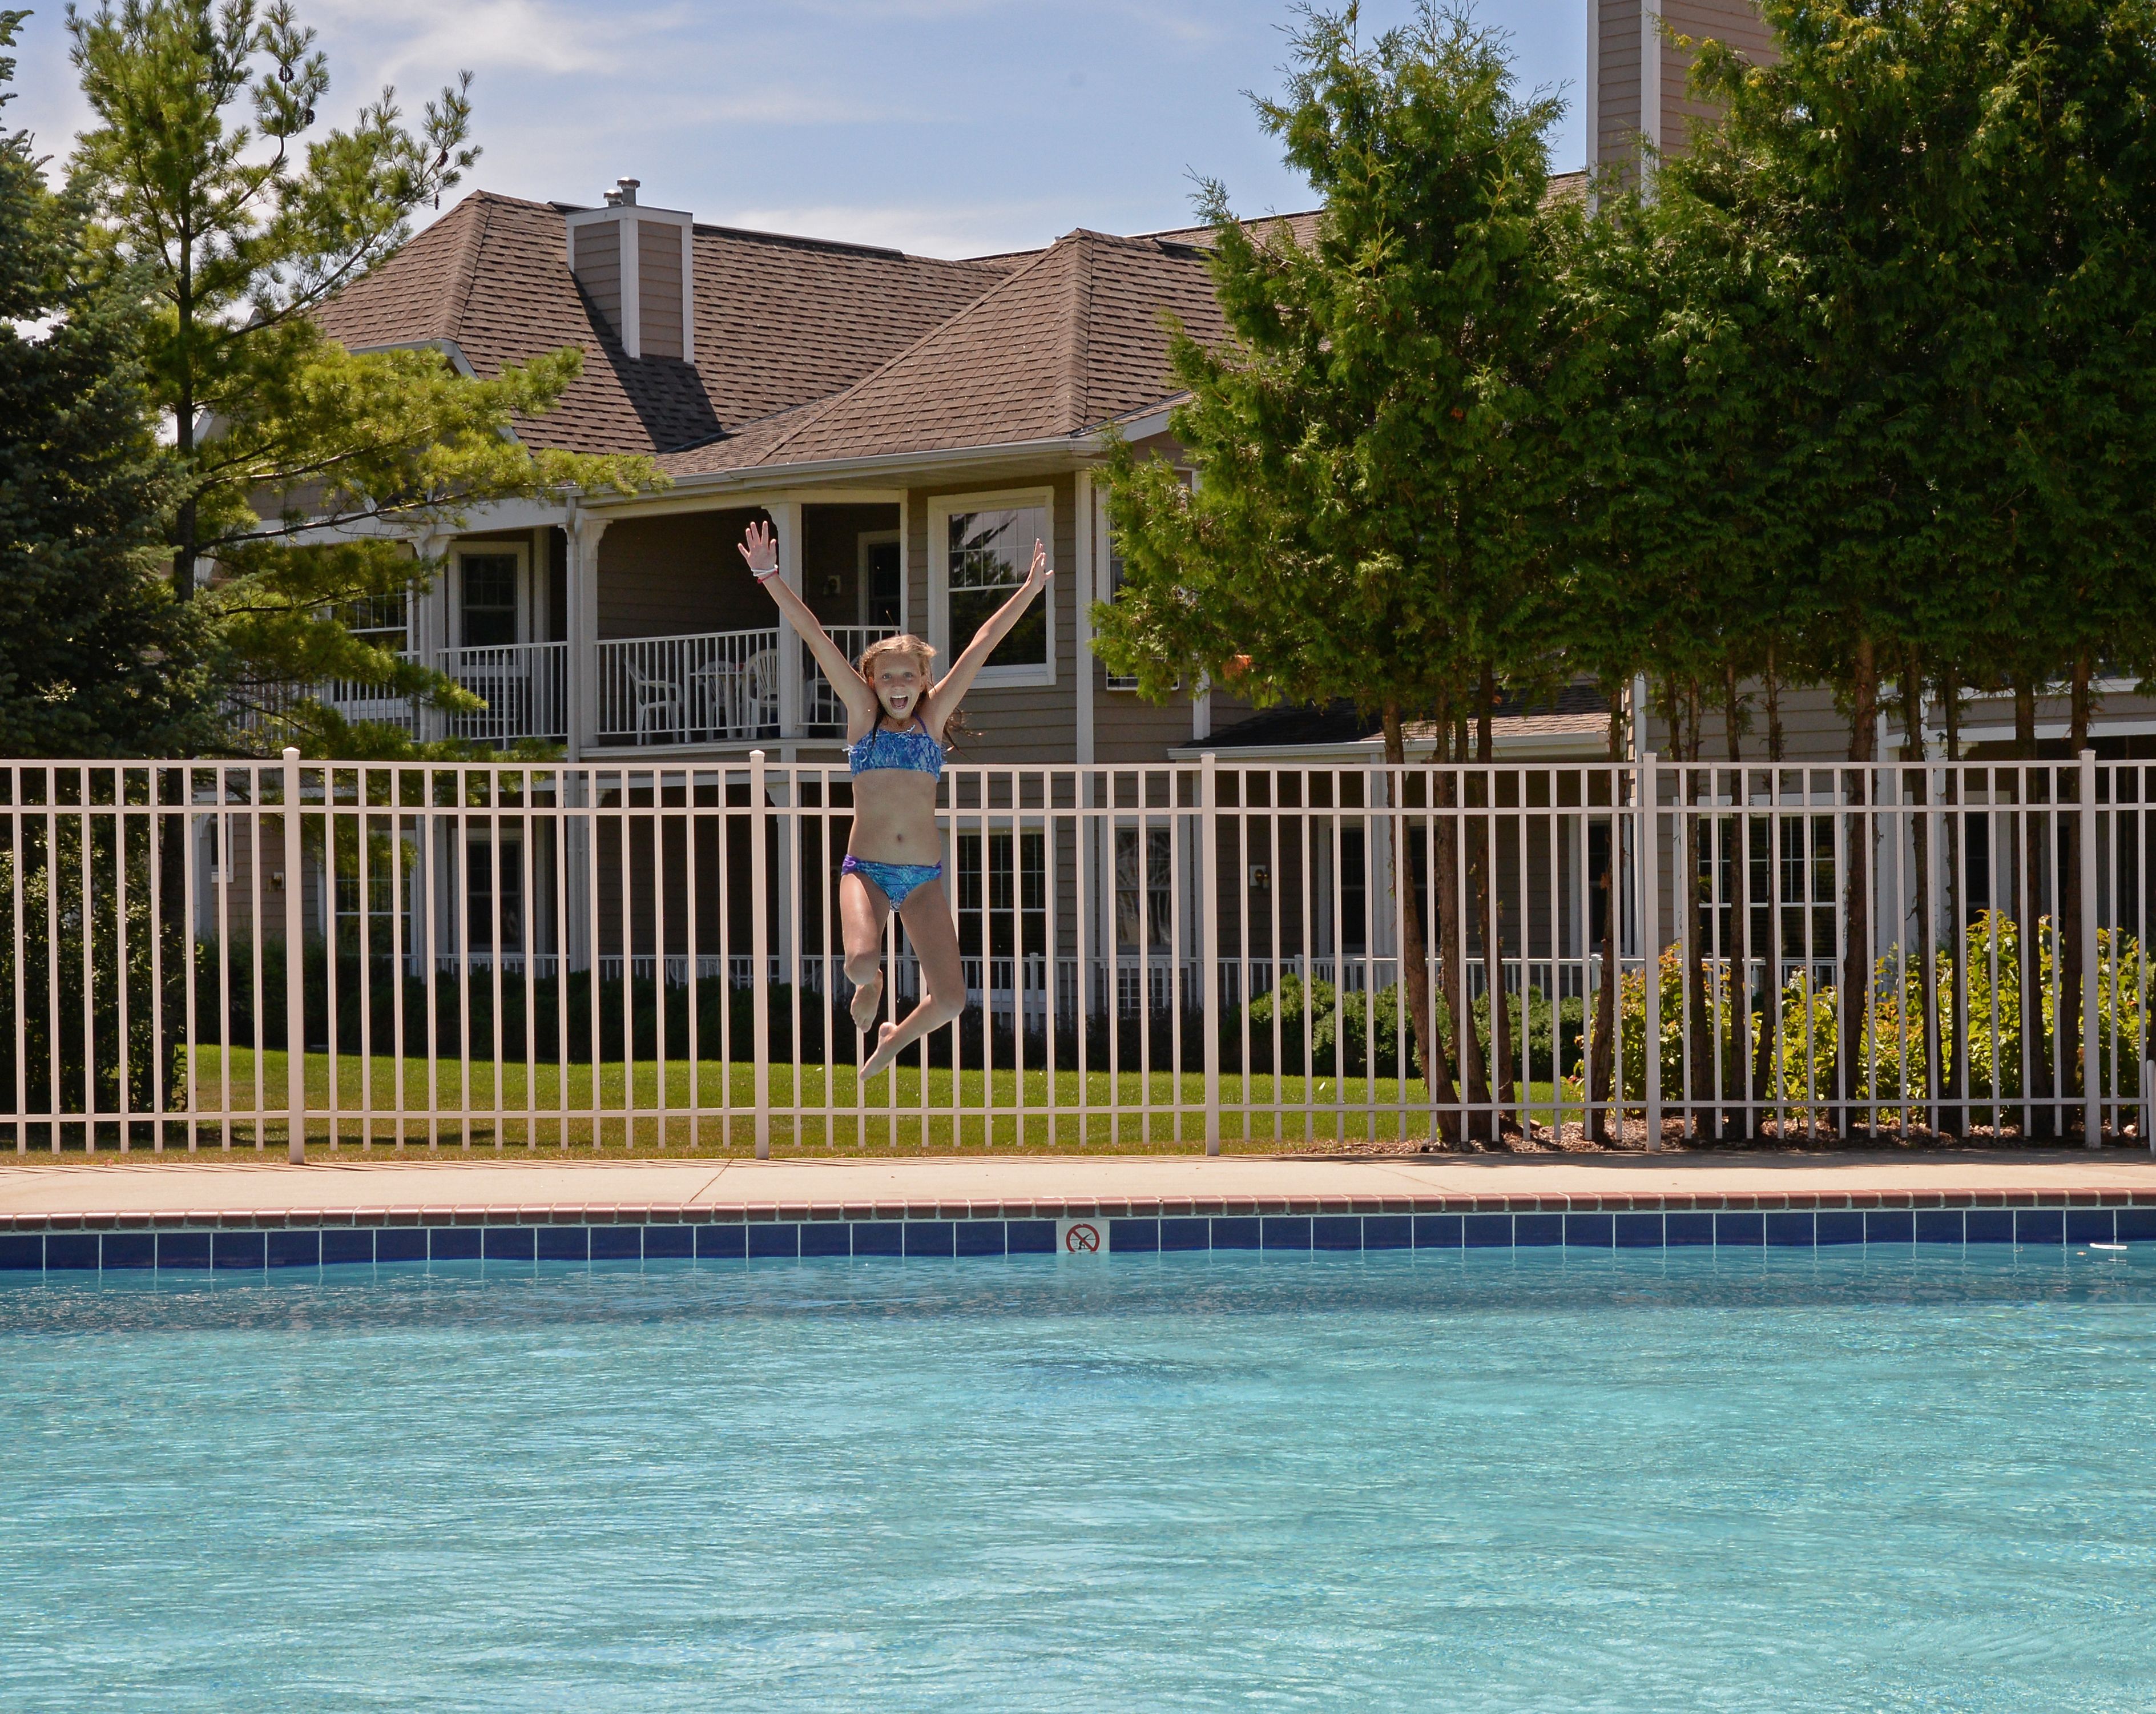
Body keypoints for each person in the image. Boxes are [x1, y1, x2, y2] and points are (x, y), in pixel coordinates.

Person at [739, 519, 1051, 1080]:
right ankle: (874, 982)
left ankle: (893, 1037)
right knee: (861, 963)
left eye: (910, 674)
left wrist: (1026, 592)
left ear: (926, 677)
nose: (899, 683)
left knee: (952, 1001)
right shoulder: (865, 723)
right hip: (869, 873)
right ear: (872, 682)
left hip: (924, 877)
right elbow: (815, 637)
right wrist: (770, 577)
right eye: (888, 677)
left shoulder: (930, 725)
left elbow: (980, 646)